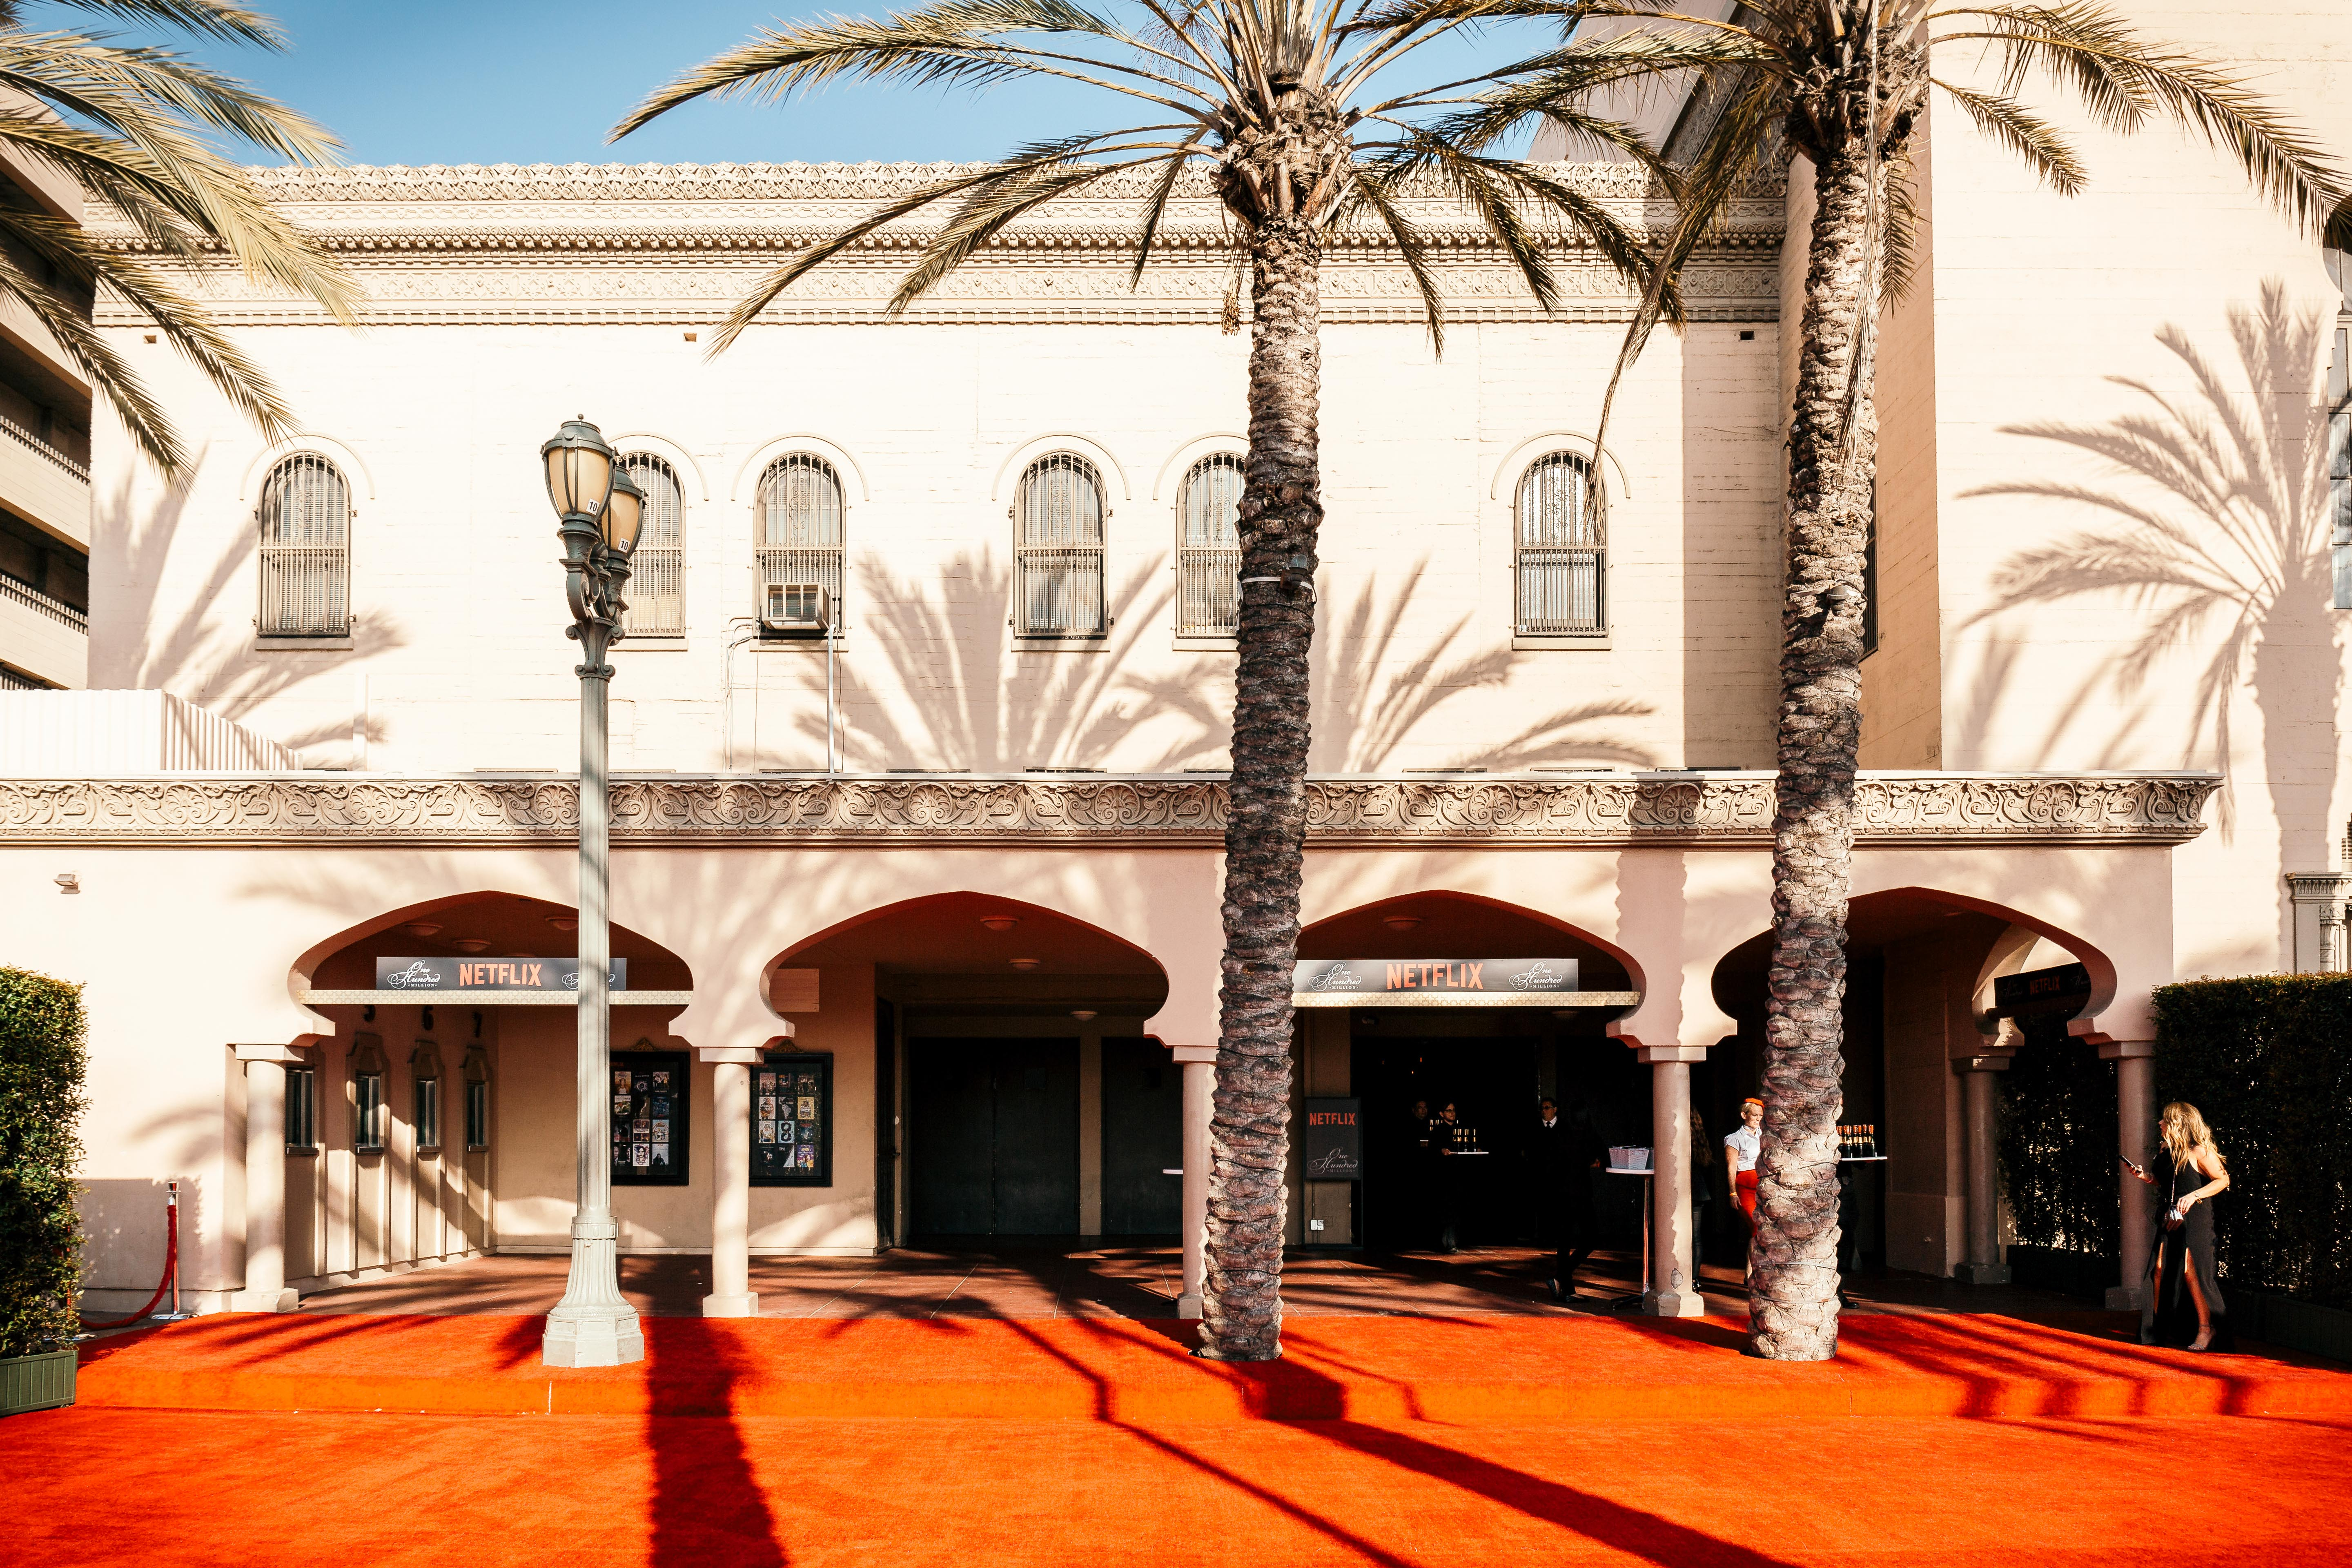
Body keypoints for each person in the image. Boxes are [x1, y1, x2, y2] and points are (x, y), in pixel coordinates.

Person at [2130, 1101, 2233, 1352]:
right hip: (2170, 1216)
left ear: (2178, 1123)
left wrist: (2195, 1195)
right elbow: (2163, 1183)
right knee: (2159, 1268)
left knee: (2191, 1271)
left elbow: (2223, 1180)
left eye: (2165, 1120)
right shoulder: (2166, 1150)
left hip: (2196, 1218)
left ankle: (2206, 1329)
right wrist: (2144, 1176)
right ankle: (2156, 1330)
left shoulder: (2200, 1151)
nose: (2160, 1123)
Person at [1539, 1095, 1603, 1299]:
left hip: (1562, 1192)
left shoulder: (1563, 1132)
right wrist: (1590, 1163)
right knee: (1590, 1237)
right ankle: (1562, 1281)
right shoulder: (1586, 1133)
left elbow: (1558, 1159)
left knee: (1565, 1240)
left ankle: (1564, 1283)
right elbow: (1595, 1156)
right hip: (1580, 1192)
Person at [1726, 1098, 1763, 1233]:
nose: (1758, 1119)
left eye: (1761, 1115)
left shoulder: (1765, 1135)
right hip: (1746, 1187)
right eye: (1755, 1115)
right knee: (1756, 1227)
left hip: (1765, 1186)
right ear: (1744, 1115)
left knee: (1767, 1230)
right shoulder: (1734, 1139)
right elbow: (1731, 1166)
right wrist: (1732, 1193)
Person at [1690, 1109, 1721, 1271]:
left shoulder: (1680, 1138)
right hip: (1698, 1192)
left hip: (1687, 1191)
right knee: (1696, 1238)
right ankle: (1694, 1279)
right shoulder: (1699, 1139)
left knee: (1685, 1238)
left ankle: (1686, 1278)